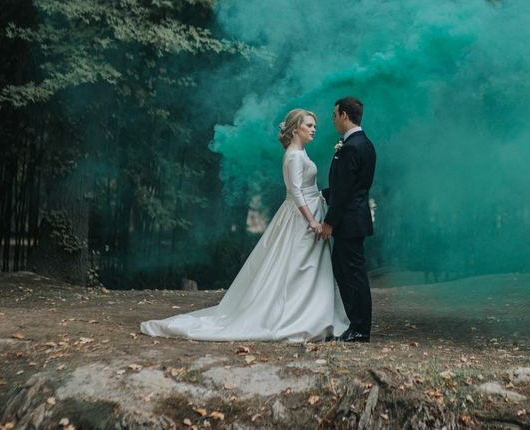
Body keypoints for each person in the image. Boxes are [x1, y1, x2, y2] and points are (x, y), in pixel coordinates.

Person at [140, 109, 349, 342]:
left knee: (310, 265)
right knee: (299, 264)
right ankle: (297, 317)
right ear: (295, 128)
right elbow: (296, 191)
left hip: (311, 208)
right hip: (302, 216)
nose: (313, 129)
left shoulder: (301, 152)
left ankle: (314, 315)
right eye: (309, 125)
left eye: (314, 126)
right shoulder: (293, 155)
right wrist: (311, 220)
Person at [320, 97, 376, 343]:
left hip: (349, 221)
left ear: (344, 115)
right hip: (353, 218)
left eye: (334, 115)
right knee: (344, 271)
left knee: (353, 274)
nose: (332, 120)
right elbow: (347, 186)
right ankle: (356, 324)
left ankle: (361, 329)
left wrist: (329, 222)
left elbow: (344, 191)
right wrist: (318, 195)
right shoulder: (363, 143)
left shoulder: (352, 146)